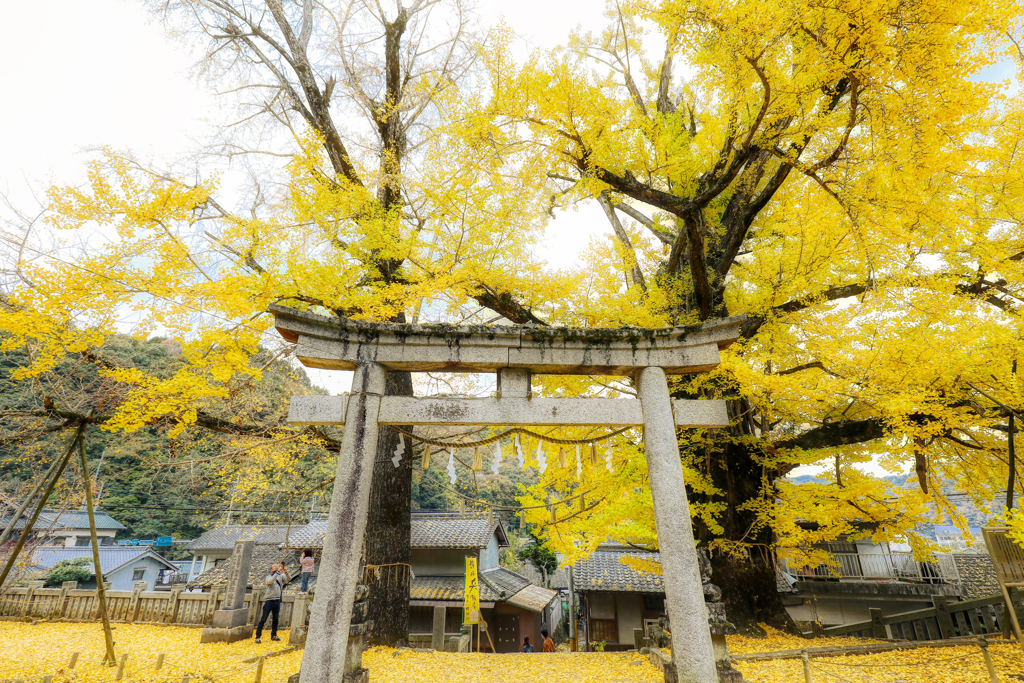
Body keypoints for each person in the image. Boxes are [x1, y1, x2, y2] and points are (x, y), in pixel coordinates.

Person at [255, 563, 289, 644]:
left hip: (277, 600)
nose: (276, 566)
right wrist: (278, 572)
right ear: (271, 570)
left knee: (276, 619)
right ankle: (258, 636)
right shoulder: (269, 577)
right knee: (264, 619)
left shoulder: (281, 576)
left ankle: (274, 635)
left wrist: (286, 572)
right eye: (274, 566)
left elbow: (288, 579)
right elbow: (270, 581)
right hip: (269, 600)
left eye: (277, 565)